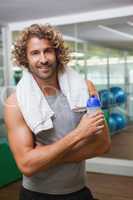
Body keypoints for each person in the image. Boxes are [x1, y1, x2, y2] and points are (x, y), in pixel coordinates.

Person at [4, 24, 111, 200]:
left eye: (48, 51)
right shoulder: (15, 103)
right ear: (25, 58)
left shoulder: (85, 89)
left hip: (78, 190)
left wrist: (45, 158)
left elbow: (103, 144)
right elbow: (27, 165)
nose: (43, 59)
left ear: (57, 54)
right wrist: (79, 134)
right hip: (36, 194)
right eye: (35, 53)